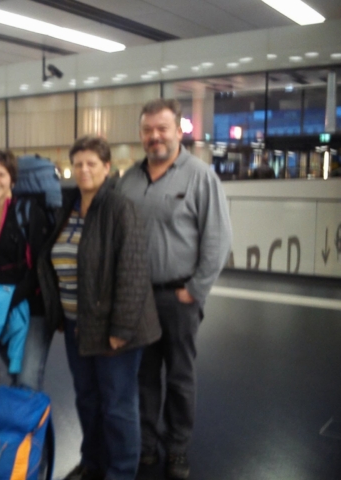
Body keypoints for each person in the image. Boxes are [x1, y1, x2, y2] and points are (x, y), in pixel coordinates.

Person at [117, 99, 232, 480]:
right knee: (144, 376)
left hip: (178, 297)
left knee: (180, 376)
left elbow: (217, 239)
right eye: (148, 130)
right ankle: (146, 445)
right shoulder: (128, 179)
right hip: (138, 298)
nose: (155, 136)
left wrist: (195, 290)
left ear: (178, 131)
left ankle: (178, 448)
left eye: (162, 129)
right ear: (141, 134)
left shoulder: (200, 176)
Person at [37, 135, 161, 480]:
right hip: (78, 325)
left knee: (118, 406)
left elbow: (134, 272)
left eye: (92, 163)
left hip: (113, 330)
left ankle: (121, 472)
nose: (84, 169)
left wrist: (121, 330)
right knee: (87, 400)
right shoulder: (68, 207)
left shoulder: (120, 209)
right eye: (78, 163)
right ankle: (92, 462)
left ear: (107, 167)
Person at [0, 150, 51, 419]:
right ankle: (10, 439)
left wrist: (7, 302)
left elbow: (39, 267)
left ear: (12, 180)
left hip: (30, 305)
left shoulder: (29, 212)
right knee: (10, 369)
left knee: (26, 379)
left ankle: (29, 450)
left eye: (1, 174)